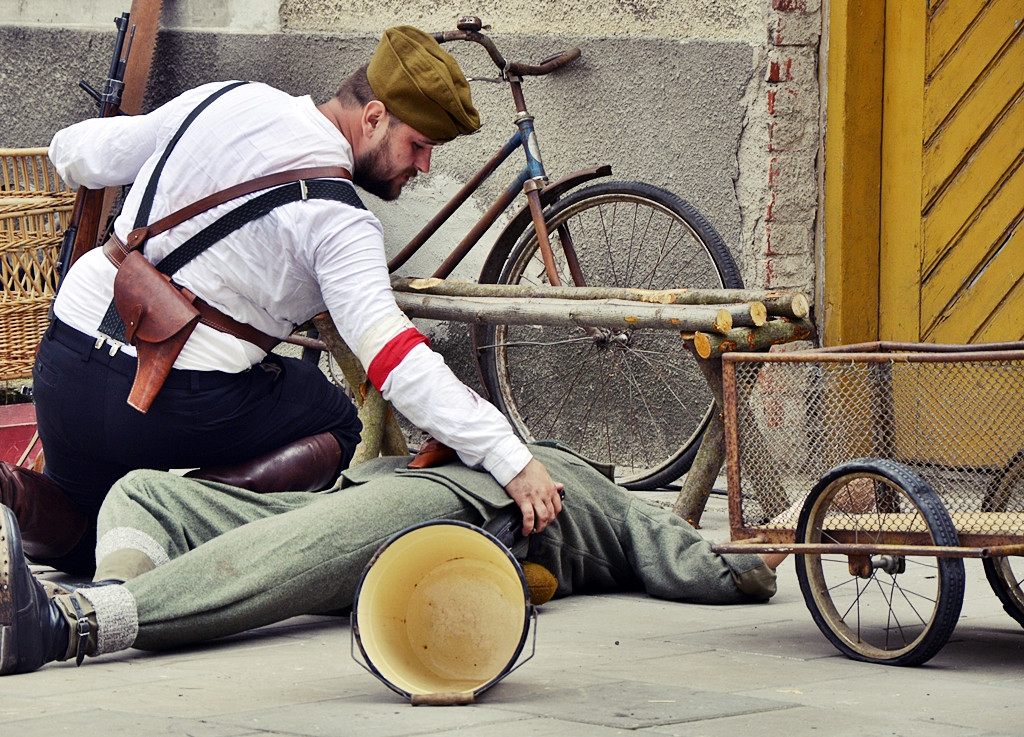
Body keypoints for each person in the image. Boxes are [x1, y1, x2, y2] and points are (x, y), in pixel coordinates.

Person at [1, 26, 562, 575]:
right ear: (373, 118)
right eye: (418, 145)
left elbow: (81, 155)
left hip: (64, 363)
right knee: (332, 418)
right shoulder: (341, 221)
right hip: (175, 400)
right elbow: (395, 357)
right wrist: (508, 457)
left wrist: (79, 153)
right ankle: (181, 517)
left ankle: (10, 491)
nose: (424, 166)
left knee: (84, 537)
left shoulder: (227, 97)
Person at [0, 443, 783, 675]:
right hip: (362, 492)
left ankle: (67, 625)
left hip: (459, 521)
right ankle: (128, 593)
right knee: (145, 489)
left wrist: (780, 542)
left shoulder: (596, 492)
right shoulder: (483, 439)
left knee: (309, 544)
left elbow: (717, 570)